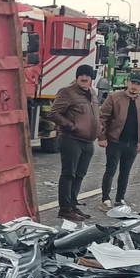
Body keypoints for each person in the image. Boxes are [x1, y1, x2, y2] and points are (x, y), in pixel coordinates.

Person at [50, 64, 99, 220]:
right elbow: (54, 113)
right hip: (71, 139)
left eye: (87, 75)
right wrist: (71, 126)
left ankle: (72, 205)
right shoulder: (67, 92)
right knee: (68, 174)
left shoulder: (92, 93)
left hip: (88, 141)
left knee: (79, 175)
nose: (84, 78)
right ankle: (64, 209)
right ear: (77, 77)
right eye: (81, 75)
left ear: (92, 78)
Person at [97, 72, 140, 209]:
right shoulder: (114, 98)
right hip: (115, 141)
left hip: (132, 143)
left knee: (125, 172)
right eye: (132, 82)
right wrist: (102, 137)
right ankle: (105, 198)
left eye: (138, 84)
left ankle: (120, 198)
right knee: (111, 170)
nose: (134, 86)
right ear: (127, 83)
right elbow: (103, 118)